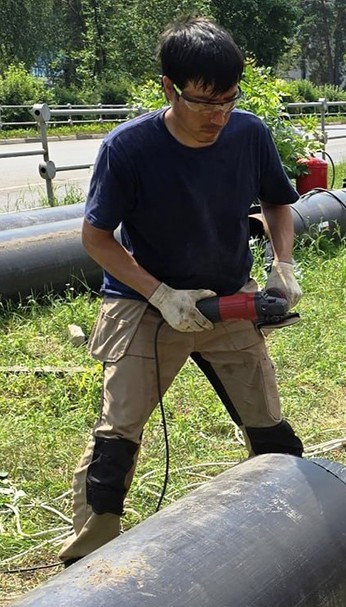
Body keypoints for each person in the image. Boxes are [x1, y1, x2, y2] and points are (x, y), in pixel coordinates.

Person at [58, 16, 304, 565]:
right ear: (169, 87)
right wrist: (161, 295)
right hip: (145, 302)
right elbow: (96, 238)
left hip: (227, 296)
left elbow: (276, 202)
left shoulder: (249, 133)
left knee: (269, 426)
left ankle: (286, 536)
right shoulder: (129, 149)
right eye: (203, 102)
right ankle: (84, 562)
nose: (218, 117)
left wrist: (282, 264)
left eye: (229, 101)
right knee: (117, 436)